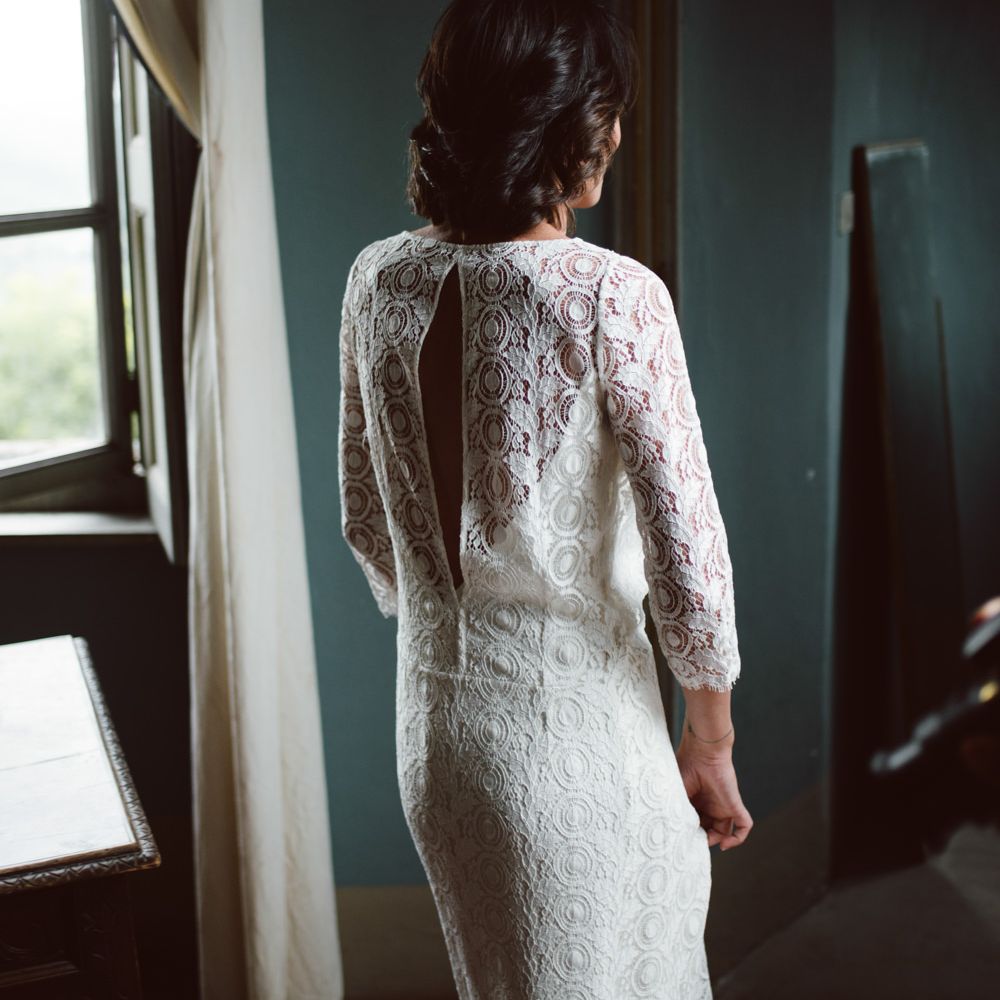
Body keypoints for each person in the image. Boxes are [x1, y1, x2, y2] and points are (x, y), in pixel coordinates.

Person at [337, 1, 752, 995]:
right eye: (603, 107)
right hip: (584, 743)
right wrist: (711, 736)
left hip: (437, 735)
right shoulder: (611, 297)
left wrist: (463, 623)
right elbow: (687, 560)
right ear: (557, 121)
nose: (615, 132)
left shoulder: (377, 279)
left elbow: (364, 517)